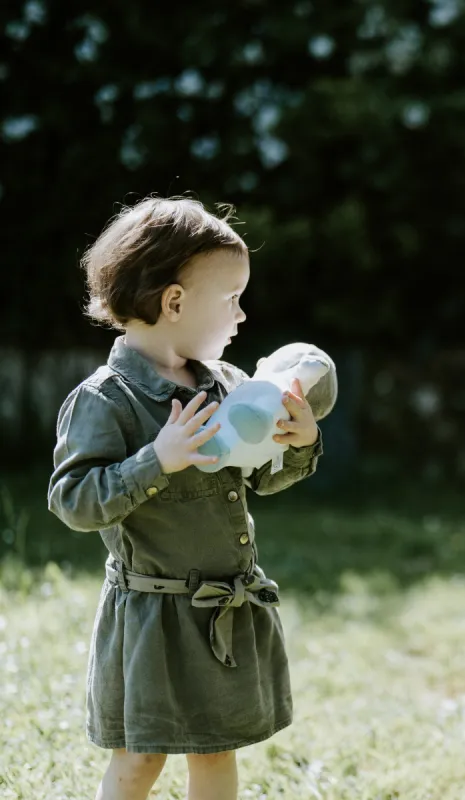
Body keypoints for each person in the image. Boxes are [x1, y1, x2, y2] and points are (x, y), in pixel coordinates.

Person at [47, 198, 323, 800]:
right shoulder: (107, 399)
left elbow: (258, 477)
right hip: (153, 616)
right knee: (140, 755)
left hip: (219, 607)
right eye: (232, 298)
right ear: (174, 302)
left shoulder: (224, 386)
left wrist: (297, 444)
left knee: (216, 747)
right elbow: (73, 501)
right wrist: (156, 459)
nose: (242, 315)